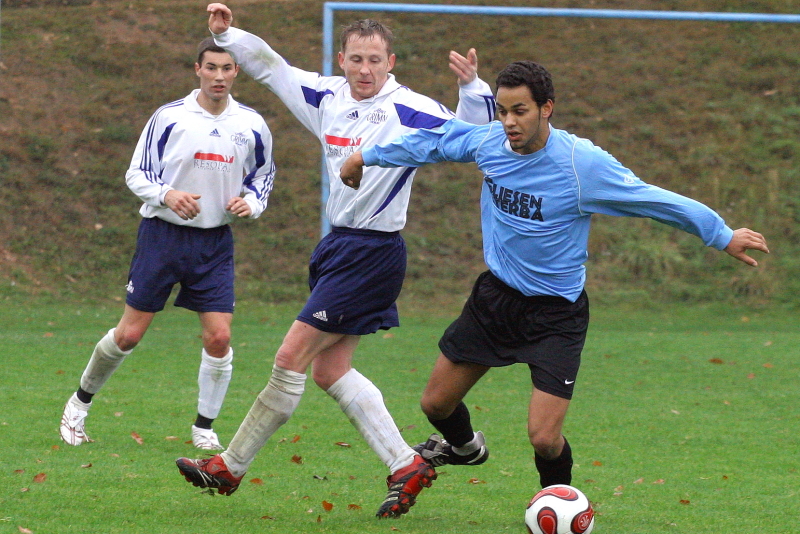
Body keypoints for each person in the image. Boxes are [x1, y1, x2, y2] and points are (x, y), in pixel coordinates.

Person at [340, 59, 769, 491]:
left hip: (555, 314)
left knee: (544, 439)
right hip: (495, 300)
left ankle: (558, 501)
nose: (509, 122)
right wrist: (364, 156)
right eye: (503, 111)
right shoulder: (488, 142)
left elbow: (651, 199)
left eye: (520, 111)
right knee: (435, 404)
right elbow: (432, 143)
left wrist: (721, 234)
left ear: (547, 108)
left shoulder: (582, 165)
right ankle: (466, 449)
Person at [175, 3, 495, 519]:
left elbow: (473, 138)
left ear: (391, 62)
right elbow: (271, 67)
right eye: (356, 59)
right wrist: (228, 35)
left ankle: (229, 466)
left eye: (375, 60)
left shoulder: (409, 108)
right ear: (341, 60)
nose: (365, 70)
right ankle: (405, 464)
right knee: (330, 369)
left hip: (373, 253)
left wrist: (472, 90)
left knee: (289, 358)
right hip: (338, 248)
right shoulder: (326, 96)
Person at [59, 38, 276, 451]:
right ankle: (79, 403)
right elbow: (136, 173)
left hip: (214, 243)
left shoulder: (251, 124)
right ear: (197, 69)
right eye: (211, 68)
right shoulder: (170, 117)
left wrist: (251, 203)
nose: (218, 76)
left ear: (236, 72)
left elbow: (263, 176)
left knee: (219, 338)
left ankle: (204, 428)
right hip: (162, 237)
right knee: (129, 335)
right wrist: (167, 195)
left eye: (226, 69)